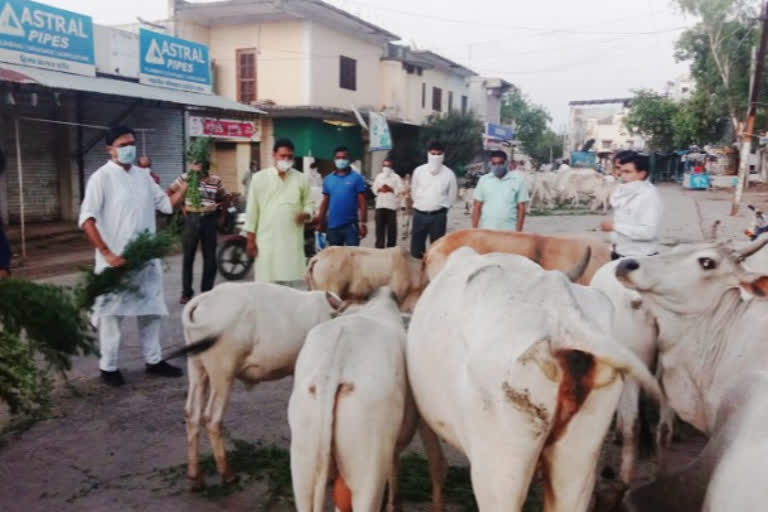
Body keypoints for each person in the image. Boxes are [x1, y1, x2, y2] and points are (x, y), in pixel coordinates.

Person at [78, 125, 188, 387]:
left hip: (145, 257)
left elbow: (166, 205)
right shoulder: (101, 178)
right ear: (110, 149)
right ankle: (109, 366)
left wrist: (187, 184)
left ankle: (153, 360)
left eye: (132, 144)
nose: (129, 148)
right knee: (112, 315)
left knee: (150, 310)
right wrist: (107, 253)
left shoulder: (143, 176)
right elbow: (86, 220)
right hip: (115, 260)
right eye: (123, 144)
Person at [245, 138, 314, 283]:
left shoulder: (301, 179)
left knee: (291, 287)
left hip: (292, 242)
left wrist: (306, 214)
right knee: (267, 287)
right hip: (267, 242)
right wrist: (250, 240)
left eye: (290, 156)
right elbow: (252, 211)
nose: (286, 159)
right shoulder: (259, 178)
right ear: (274, 155)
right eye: (283, 156)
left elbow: (309, 203)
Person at [167, 145, 228, 304]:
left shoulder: (216, 180)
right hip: (191, 219)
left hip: (209, 219)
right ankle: (186, 292)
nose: (201, 170)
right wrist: (182, 207)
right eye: (197, 166)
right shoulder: (185, 178)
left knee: (210, 258)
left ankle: (206, 292)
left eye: (203, 166)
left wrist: (220, 214)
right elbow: (169, 192)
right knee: (188, 257)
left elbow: (224, 198)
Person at [600, 151, 663, 260]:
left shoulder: (648, 195)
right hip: (619, 253)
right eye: (619, 169)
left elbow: (649, 232)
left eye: (627, 171)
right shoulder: (624, 190)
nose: (621, 174)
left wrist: (614, 227)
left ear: (642, 174)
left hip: (640, 258)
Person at [409, 141, 457, 258]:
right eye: (433, 153)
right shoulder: (419, 171)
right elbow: (414, 191)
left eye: (438, 154)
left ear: (443, 155)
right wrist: (422, 205)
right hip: (419, 215)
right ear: (428, 154)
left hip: (438, 217)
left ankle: (434, 275)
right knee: (416, 249)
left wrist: (441, 209)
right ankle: (418, 273)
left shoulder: (449, 174)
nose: (435, 157)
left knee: (437, 250)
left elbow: (451, 196)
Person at [314, 146, 368, 246]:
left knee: (352, 258)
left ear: (348, 160)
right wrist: (320, 223)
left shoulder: (357, 178)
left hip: (351, 227)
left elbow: (363, 202)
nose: (341, 160)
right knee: (334, 260)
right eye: (338, 158)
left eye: (344, 158)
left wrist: (363, 223)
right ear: (334, 160)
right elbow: (324, 203)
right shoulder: (328, 179)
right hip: (333, 227)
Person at [472, 150, 529, 231]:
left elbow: (521, 208)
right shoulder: (484, 180)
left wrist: (518, 231)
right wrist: (474, 229)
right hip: (488, 229)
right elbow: (477, 205)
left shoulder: (518, 180)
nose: (497, 166)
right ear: (490, 164)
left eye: (500, 163)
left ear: (506, 163)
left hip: (509, 231)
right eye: (494, 164)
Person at [372, 158, 403, 248]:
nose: (386, 168)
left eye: (388, 166)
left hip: (391, 206)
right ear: (382, 166)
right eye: (385, 166)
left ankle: (391, 248)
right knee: (379, 229)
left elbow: (401, 189)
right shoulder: (379, 176)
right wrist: (379, 189)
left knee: (392, 230)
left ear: (391, 167)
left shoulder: (396, 177)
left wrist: (391, 189)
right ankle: (379, 247)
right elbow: (374, 189)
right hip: (380, 205)